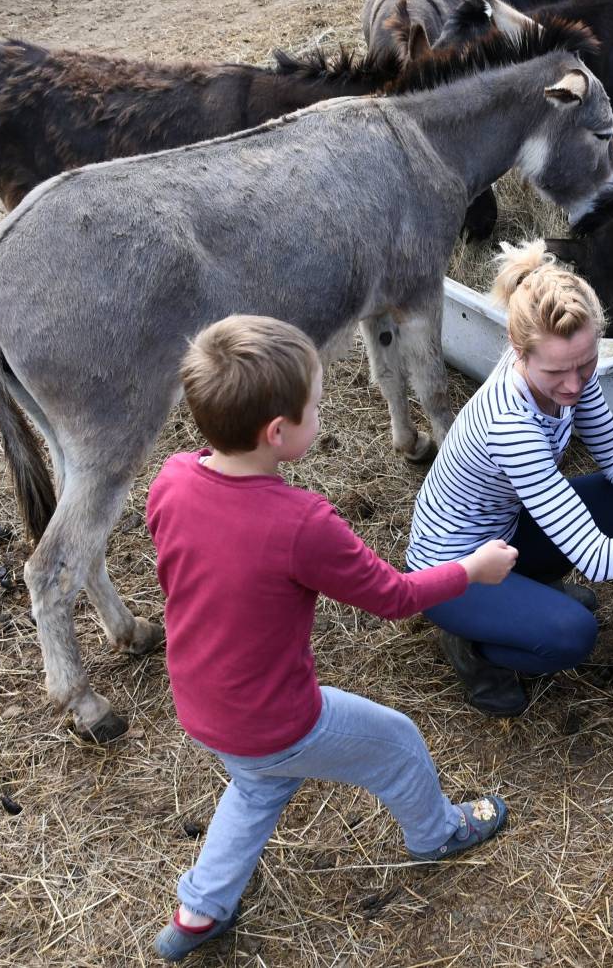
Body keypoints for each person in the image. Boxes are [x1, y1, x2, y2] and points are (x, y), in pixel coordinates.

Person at [145, 314, 519, 961]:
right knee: (397, 740)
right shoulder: (301, 524)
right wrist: (470, 570)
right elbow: (394, 599)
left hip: (203, 705)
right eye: (317, 405)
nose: (323, 413)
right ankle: (437, 832)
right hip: (276, 717)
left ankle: (202, 908)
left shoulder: (172, 479)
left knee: (259, 783)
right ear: (279, 433)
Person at [407, 243, 613, 716]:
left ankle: (525, 590)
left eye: (586, 364)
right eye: (558, 372)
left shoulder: (566, 371)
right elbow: (597, 558)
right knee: (572, 634)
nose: (575, 385)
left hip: (506, 530)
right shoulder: (511, 426)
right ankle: (472, 645)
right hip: (451, 571)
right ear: (518, 350)